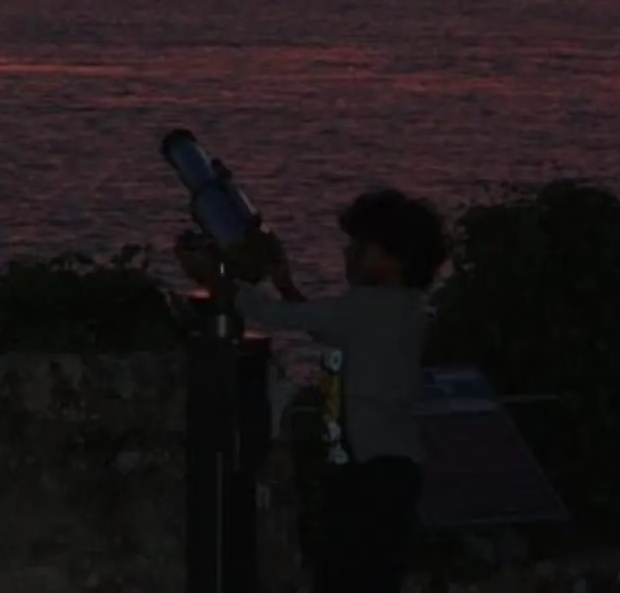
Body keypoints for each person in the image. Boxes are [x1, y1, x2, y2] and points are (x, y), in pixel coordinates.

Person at [176, 187, 449, 593]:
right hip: (388, 468)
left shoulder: (371, 307)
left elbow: (272, 315)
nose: (349, 253)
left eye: (361, 246)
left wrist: (216, 279)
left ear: (397, 259)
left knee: (347, 574)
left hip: (370, 472)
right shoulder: (402, 308)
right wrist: (285, 284)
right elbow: (323, 325)